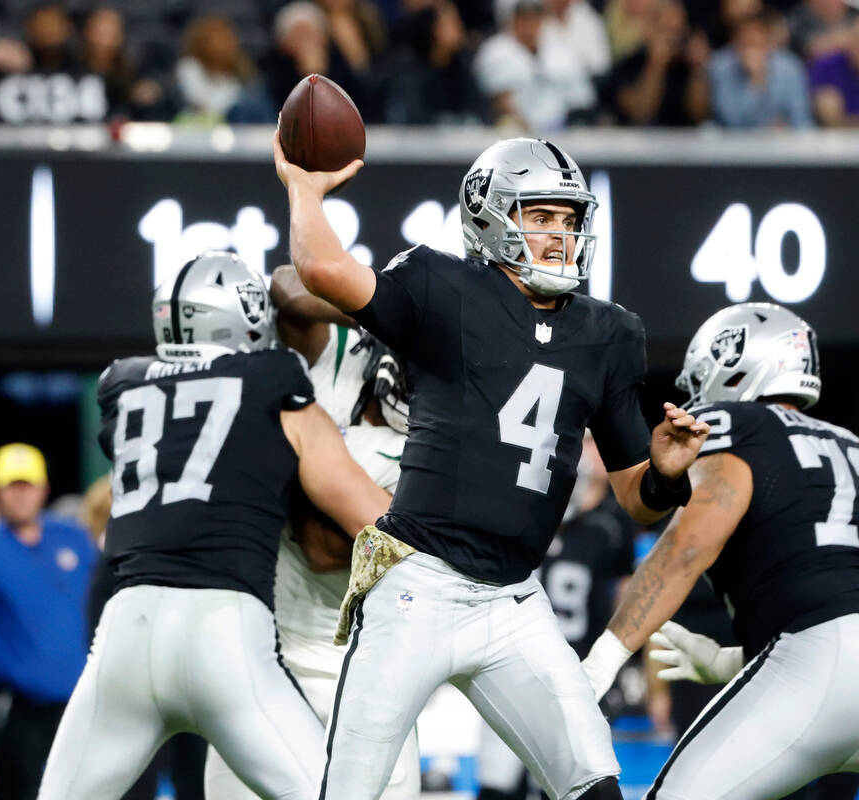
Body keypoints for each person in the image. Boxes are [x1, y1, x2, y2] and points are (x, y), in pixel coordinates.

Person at [273, 132, 709, 800]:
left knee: (596, 784)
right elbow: (321, 269)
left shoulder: (608, 333)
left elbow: (635, 498)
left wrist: (667, 472)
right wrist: (304, 190)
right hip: (419, 584)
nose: (559, 235)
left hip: (513, 599)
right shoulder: (442, 285)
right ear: (490, 217)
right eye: (540, 216)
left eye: (568, 219)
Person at [579, 303, 859, 800]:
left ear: (732, 366)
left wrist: (602, 661)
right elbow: (851, 595)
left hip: (827, 661)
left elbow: (686, 548)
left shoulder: (736, 426)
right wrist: (733, 661)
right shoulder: (847, 443)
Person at [34, 251, 392, 800]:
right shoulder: (275, 383)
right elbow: (378, 521)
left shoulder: (122, 388)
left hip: (125, 633)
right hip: (222, 628)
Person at [202, 264, 420, 800]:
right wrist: (384, 310)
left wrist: (282, 449)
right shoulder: (343, 357)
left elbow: (325, 549)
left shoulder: (443, 450)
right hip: (262, 664)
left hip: (367, 678)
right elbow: (286, 285)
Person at [476, 437, 637, 800]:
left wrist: (618, 662)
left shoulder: (611, 524)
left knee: (567, 784)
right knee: (498, 783)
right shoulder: (520, 512)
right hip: (510, 664)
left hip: (577, 673)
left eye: (594, 442)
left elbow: (624, 597)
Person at [0, 442, 98, 800]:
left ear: (44, 488)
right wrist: (25, 679)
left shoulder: (74, 539)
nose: (21, 496)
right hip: (18, 706)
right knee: (21, 790)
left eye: (28, 485)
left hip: (83, 702)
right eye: (11, 486)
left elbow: (103, 603)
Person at [473, 0, 597, 130]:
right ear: (512, 20)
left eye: (534, 18)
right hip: (515, 133)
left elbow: (582, 99)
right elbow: (499, 102)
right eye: (523, 18)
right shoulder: (494, 51)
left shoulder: (561, 50)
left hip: (563, 131)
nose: (528, 25)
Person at [601, 0, 710, 127]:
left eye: (677, 31)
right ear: (649, 29)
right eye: (666, 30)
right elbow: (640, 114)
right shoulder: (628, 66)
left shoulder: (689, 69)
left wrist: (698, 71)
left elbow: (700, 115)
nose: (672, 39)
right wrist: (656, 65)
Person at [707, 11, 813, 129]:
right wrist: (755, 80)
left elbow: (801, 118)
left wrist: (787, 129)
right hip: (732, 143)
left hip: (782, 142)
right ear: (735, 40)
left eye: (756, 36)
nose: (750, 42)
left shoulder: (790, 67)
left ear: (767, 39)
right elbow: (730, 119)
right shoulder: (720, 66)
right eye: (744, 37)